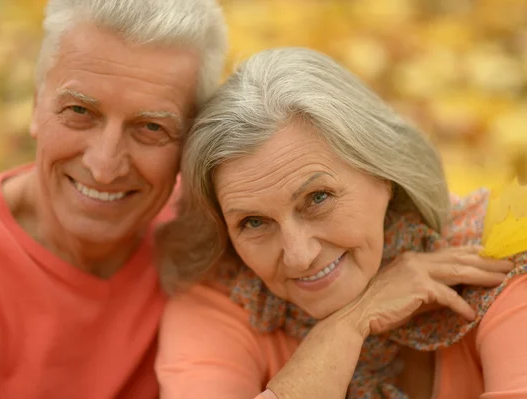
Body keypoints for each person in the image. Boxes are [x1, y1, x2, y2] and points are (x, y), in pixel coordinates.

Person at [155, 47, 527, 398]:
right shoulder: (224, 303)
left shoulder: (493, 262)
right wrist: (347, 326)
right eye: (254, 222)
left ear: (384, 174)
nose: (300, 256)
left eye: (317, 199)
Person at [0, 0, 227, 398]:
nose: (104, 166)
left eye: (151, 127)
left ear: (189, 145)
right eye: (80, 110)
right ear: (37, 106)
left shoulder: (219, 242)